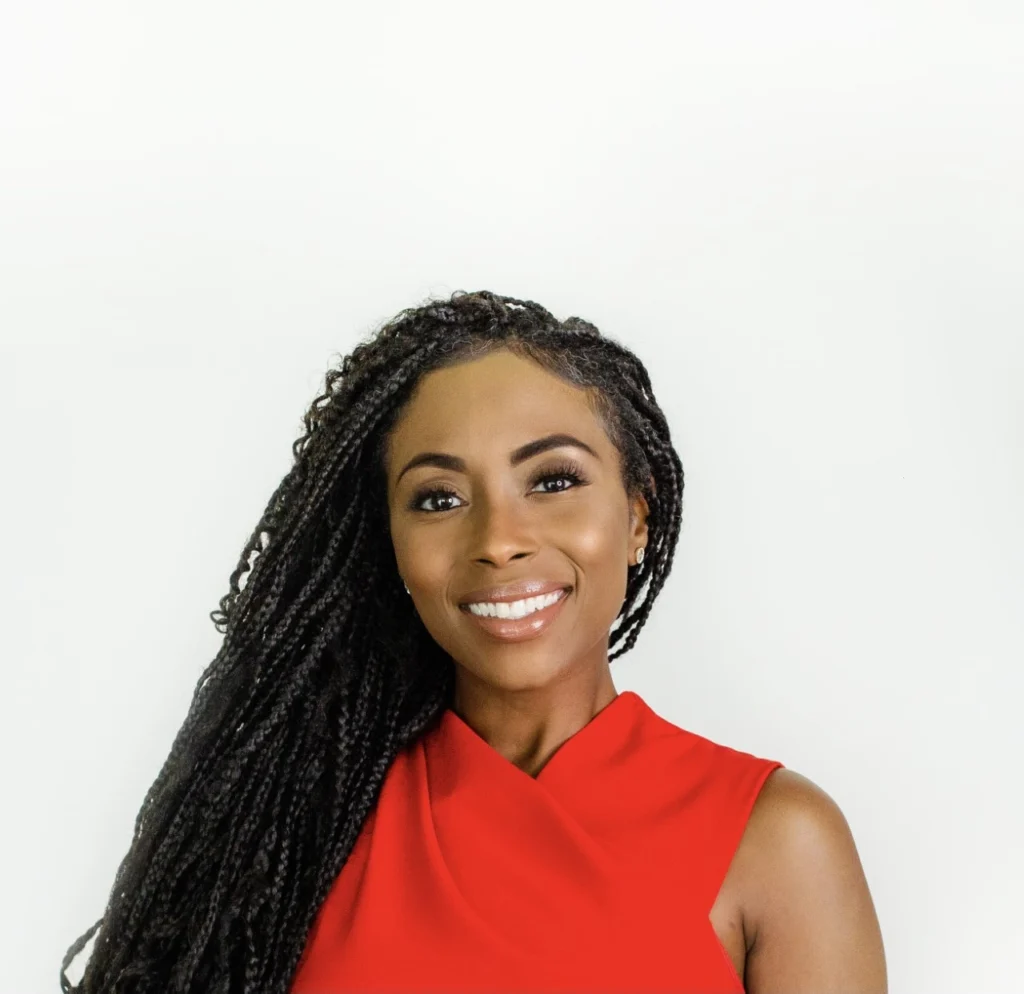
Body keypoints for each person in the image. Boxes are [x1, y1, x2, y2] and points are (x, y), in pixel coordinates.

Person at [62, 290, 886, 993]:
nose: (498, 539)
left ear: (637, 515)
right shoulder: (290, 822)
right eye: (438, 498)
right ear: (390, 543)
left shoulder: (778, 840)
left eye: (552, 481)